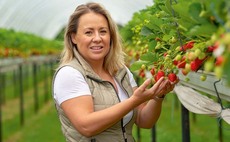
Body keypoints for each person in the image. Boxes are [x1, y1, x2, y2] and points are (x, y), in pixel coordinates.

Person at [52, 2, 178, 142]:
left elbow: (144, 121)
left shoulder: (121, 72)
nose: (97, 38)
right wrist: (134, 100)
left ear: (111, 36)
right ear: (73, 37)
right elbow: (86, 126)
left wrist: (157, 97)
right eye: (89, 32)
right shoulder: (70, 74)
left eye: (103, 31)